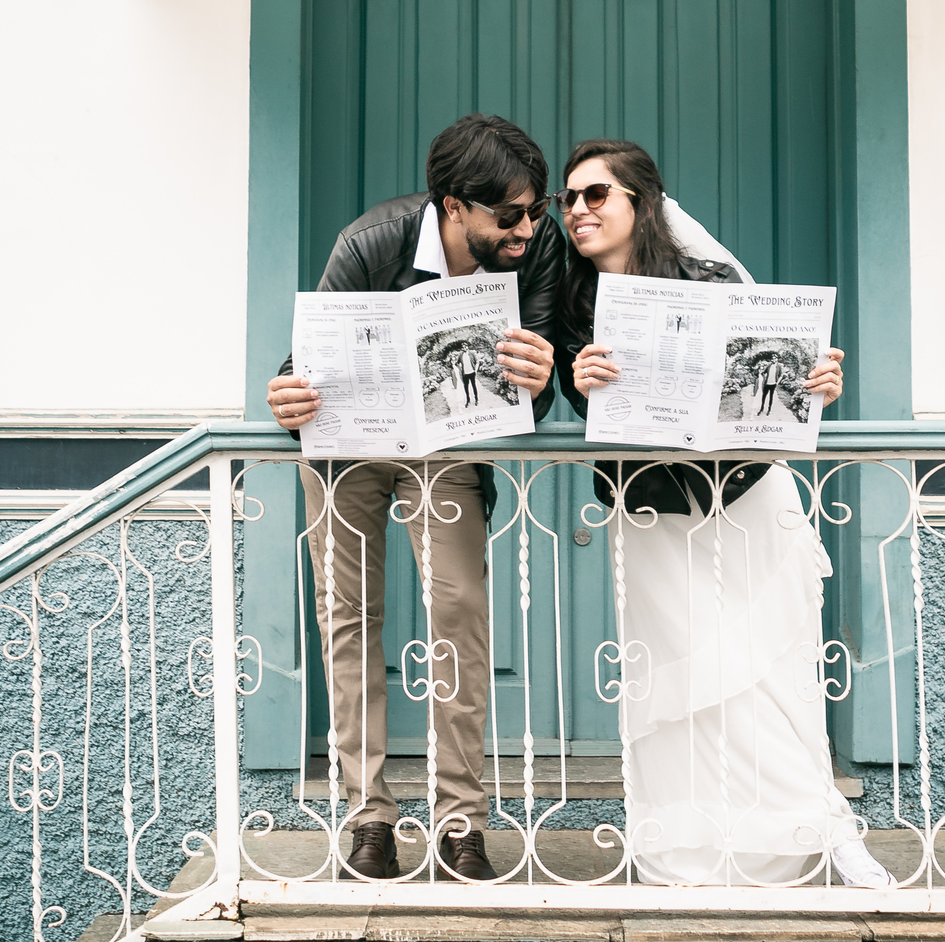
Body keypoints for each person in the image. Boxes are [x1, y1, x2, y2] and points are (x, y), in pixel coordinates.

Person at [554, 137, 893, 891]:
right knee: (682, 678)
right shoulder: (571, 299)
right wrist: (581, 380)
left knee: (769, 670)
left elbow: (776, 376)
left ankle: (825, 829)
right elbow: (571, 403)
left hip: (743, 496)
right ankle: (690, 849)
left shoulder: (709, 279)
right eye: (568, 199)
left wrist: (818, 382)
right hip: (649, 514)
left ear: (641, 202)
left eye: (595, 195)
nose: (577, 210)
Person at [268, 114, 564, 884]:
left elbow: (537, 402)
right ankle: (368, 814)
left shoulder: (539, 251)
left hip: (447, 448)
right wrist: (287, 396)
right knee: (348, 615)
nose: (529, 228)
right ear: (453, 205)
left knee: (460, 609)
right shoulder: (372, 240)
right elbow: (303, 364)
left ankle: (461, 820)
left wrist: (539, 380)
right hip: (351, 448)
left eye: (538, 209)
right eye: (511, 214)